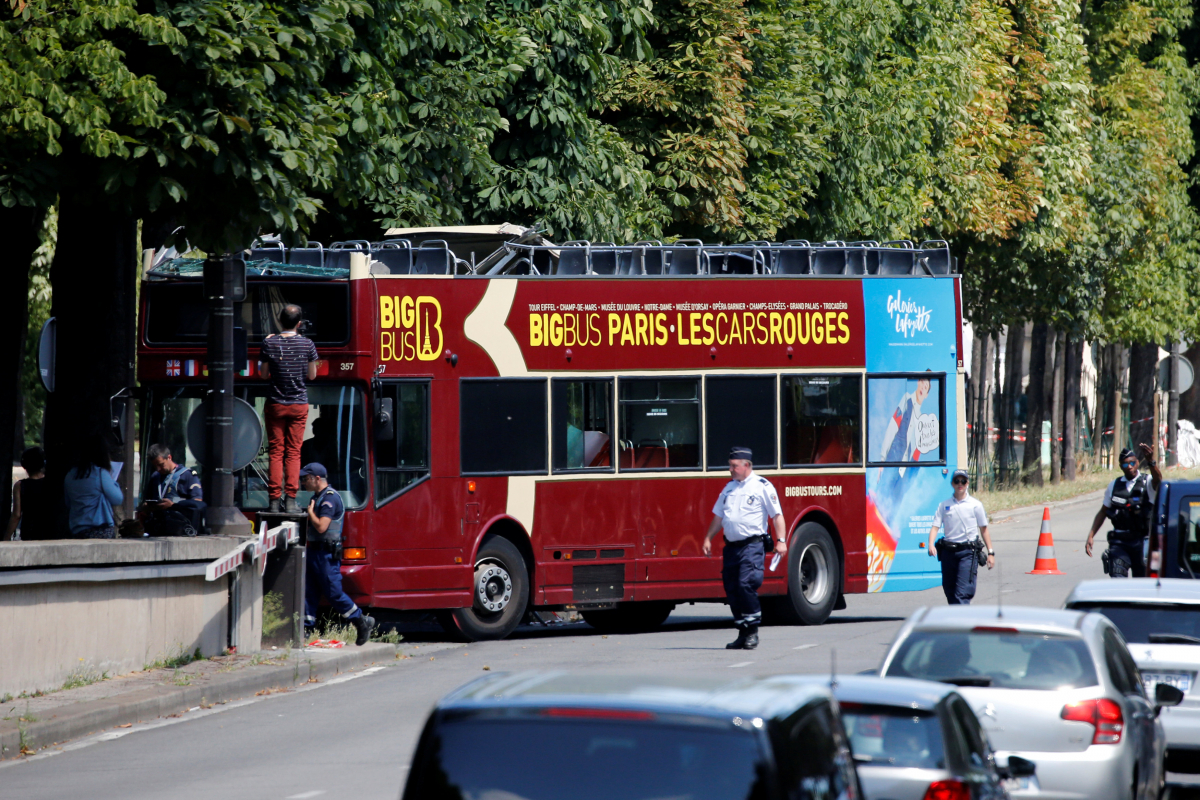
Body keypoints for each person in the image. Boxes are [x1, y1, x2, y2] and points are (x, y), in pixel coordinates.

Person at [702, 447, 787, 650]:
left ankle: (753, 631)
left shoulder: (762, 486)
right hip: (731, 547)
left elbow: (777, 515)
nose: (730, 469)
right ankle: (742, 631)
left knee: (745, 584)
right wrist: (708, 538)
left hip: (752, 545)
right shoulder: (729, 488)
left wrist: (781, 540)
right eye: (730, 465)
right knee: (731, 589)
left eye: (734, 466)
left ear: (746, 465)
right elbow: (718, 516)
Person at [300, 462, 374, 646]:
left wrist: (310, 513)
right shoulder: (318, 497)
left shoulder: (329, 499)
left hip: (326, 554)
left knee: (333, 593)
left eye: (306, 478)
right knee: (309, 592)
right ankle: (305, 630)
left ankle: (361, 621)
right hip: (314, 552)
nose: (303, 482)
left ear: (317, 479)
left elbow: (322, 526)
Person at [260, 303, 318, 513]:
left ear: (279, 322)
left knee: (276, 452)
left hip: (276, 403)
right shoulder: (308, 345)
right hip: (298, 405)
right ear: (299, 324)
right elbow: (311, 376)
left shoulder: (270, 344)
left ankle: (274, 501)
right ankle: (291, 500)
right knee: (293, 453)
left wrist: (267, 345)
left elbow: (264, 375)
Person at [1086, 443, 1161, 577]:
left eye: (1132, 462)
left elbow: (1158, 481)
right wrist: (1091, 535)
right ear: (1121, 466)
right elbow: (1103, 511)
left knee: (1143, 583)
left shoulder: (1147, 481)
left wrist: (1151, 462)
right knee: (1117, 577)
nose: (1130, 466)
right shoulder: (1114, 485)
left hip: (1142, 541)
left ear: (1137, 462)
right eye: (1126, 464)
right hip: (1120, 542)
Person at [927, 469, 994, 605]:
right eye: (957, 481)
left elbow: (984, 529)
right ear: (952, 484)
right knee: (949, 590)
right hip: (948, 553)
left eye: (963, 481)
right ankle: (957, 620)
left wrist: (991, 553)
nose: (960, 484)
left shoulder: (976, 505)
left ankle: (962, 622)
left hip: (968, 553)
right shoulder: (944, 505)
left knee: (962, 593)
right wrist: (930, 544)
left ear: (968, 483)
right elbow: (935, 526)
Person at [138, 443, 207, 536]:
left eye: (161, 464)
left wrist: (173, 505)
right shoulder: (155, 477)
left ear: (169, 457)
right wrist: (147, 507)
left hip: (181, 529)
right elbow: (147, 501)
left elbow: (197, 503)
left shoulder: (187, 475)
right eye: (155, 466)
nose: (158, 469)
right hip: (158, 529)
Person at [63, 435, 123, 539]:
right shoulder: (100, 474)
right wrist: (112, 480)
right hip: (100, 528)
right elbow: (117, 499)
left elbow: (68, 503)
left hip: (77, 529)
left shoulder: (70, 475)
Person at [7, 447, 52, 541]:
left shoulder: (19, 486)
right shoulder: (51, 483)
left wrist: (6, 538)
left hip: (29, 531)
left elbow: (16, 515)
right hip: (49, 529)